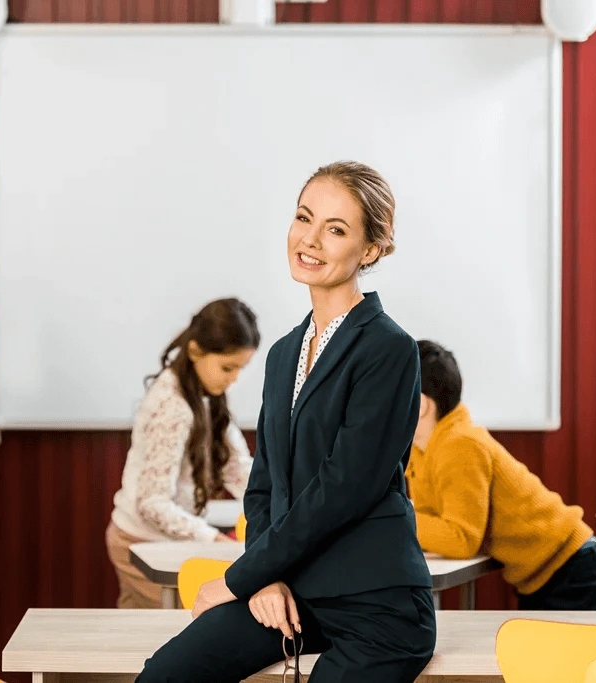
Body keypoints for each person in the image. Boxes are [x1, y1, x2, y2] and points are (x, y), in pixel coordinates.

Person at [137, 161, 435, 683]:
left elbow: (344, 489)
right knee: (164, 676)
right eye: (304, 218)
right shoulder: (281, 355)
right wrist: (264, 580)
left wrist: (239, 577)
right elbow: (265, 486)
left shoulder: (389, 349)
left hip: (376, 603)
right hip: (294, 593)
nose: (311, 239)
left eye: (336, 229)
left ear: (369, 251)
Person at [407, 340, 596, 610]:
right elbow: (431, 522)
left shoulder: (460, 445)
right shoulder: (424, 449)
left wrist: (400, 517)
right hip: (548, 579)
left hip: (580, 576)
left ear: (420, 405)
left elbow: (461, 539)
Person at [107, 297, 260, 608]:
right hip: (141, 544)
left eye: (240, 369)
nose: (234, 379)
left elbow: (238, 469)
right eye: (228, 368)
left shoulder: (207, 393)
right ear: (195, 352)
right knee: (165, 635)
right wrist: (217, 541)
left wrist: (278, 505)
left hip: (161, 541)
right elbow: (152, 503)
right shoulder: (171, 405)